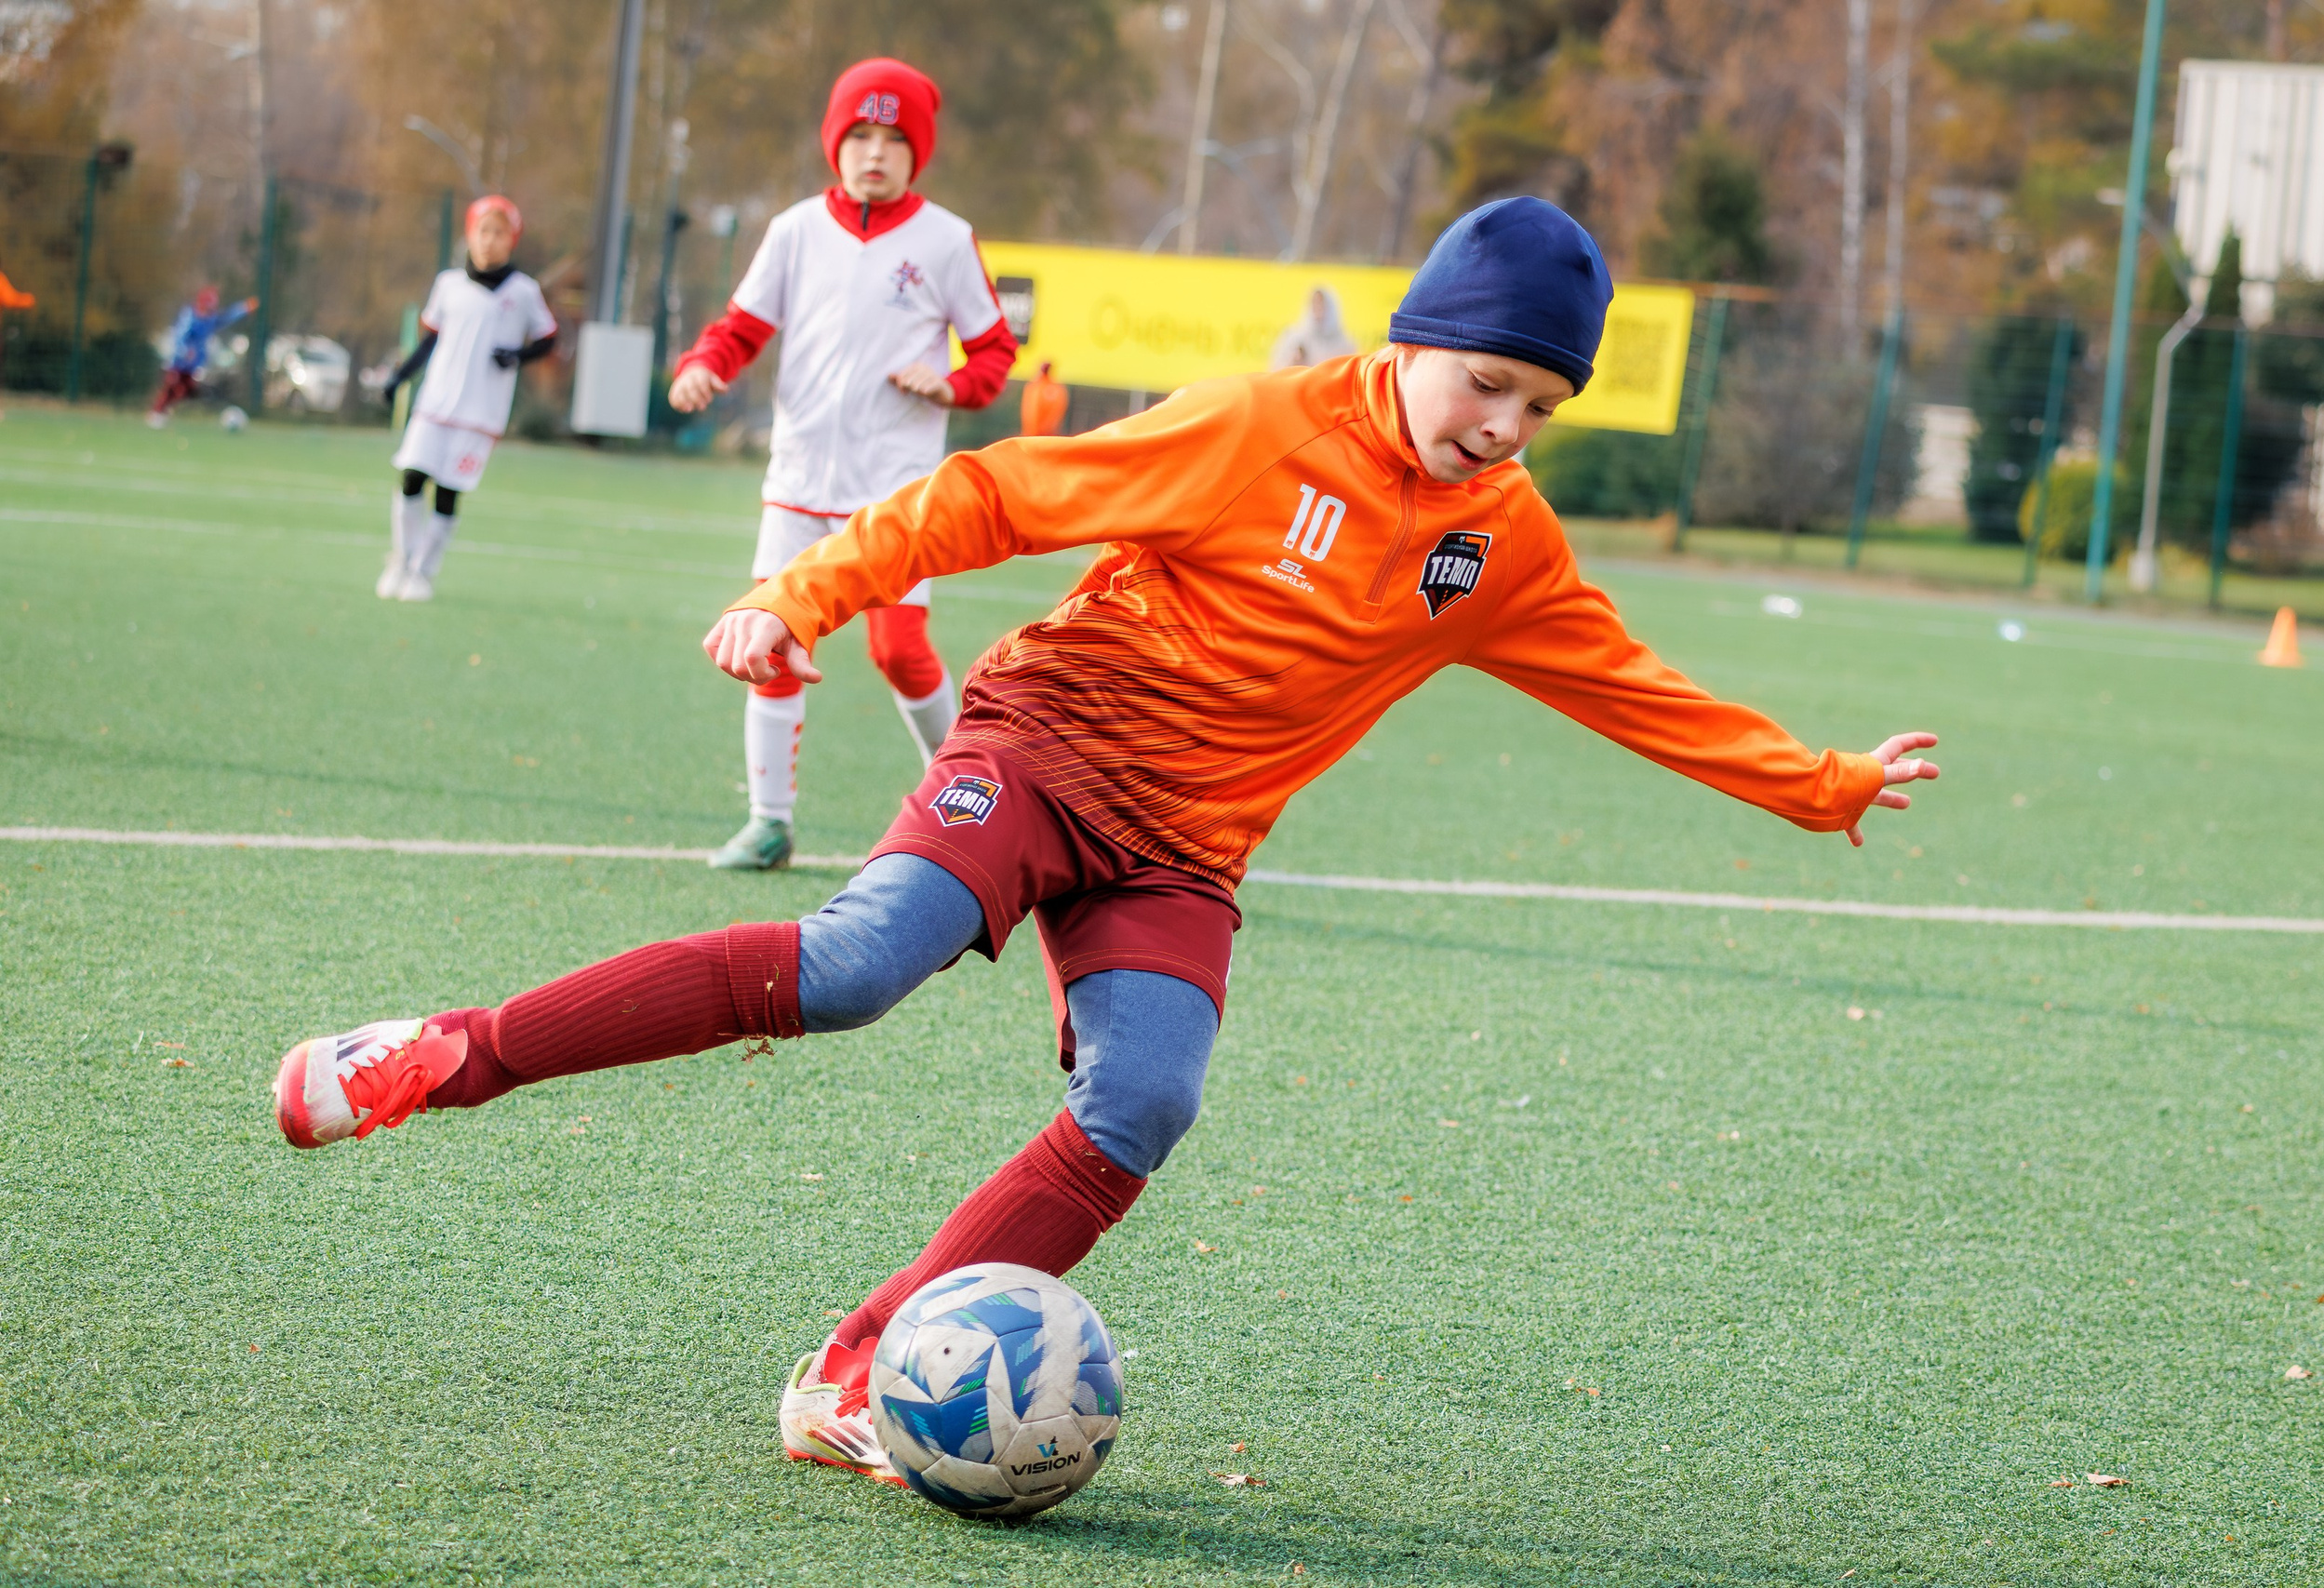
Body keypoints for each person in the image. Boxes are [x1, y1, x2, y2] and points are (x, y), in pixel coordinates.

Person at [269, 197, 1940, 1489]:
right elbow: (993, 498)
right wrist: (801, 592)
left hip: (1183, 853)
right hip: (1049, 746)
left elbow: (1629, 684)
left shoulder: (1497, 542)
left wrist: (1818, 782)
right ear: (1418, 340)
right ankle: (450, 1053)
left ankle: (853, 1369)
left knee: (1146, 1096)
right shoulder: (1260, 429)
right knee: (854, 967)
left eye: (1539, 404)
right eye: (1484, 383)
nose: (1502, 425)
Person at [669, 58, 1020, 873]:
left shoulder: (944, 239)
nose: (874, 152)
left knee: (898, 650)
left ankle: (971, 805)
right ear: (836, 142)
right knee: (771, 645)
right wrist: (705, 365)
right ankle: (769, 824)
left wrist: (955, 383)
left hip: (893, 493)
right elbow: (742, 326)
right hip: (797, 486)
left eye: (894, 139)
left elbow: (995, 350)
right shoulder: (794, 230)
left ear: (916, 153)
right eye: (858, 134)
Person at [377, 195, 557, 602]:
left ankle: (423, 574)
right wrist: (399, 379)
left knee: (447, 490)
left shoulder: (524, 292)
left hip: (481, 413)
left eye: (500, 233)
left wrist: (517, 356)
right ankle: (401, 561)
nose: (490, 241)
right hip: (435, 405)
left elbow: (548, 339)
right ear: (469, 235)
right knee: (411, 479)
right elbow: (430, 340)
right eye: (483, 231)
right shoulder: (449, 285)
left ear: (513, 239)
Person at [147, 287, 255, 427]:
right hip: (178, 361)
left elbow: (227, 317)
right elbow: (179, 337)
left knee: (186, 389)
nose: (209, 312)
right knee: (171, 385)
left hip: (194, 364)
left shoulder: (210, 320)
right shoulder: (189, 317)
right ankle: (156, 412)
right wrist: (185, 352)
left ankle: (163, 411)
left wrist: (244, 308)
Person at [1270, 285, 1356, 369]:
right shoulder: (1295, 337)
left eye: (1322, 304)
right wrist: (1294, 362)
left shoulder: (1344, 343)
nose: (1318, 309)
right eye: (1315, 303)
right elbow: (1276, 371)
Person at [1019, 360, 1068, 437]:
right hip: (1032, 432)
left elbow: (1058, 409)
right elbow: (1028, 410)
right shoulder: (1034, 386)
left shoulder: (1055, 388)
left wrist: (1049, 427)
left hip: (1047, 432)